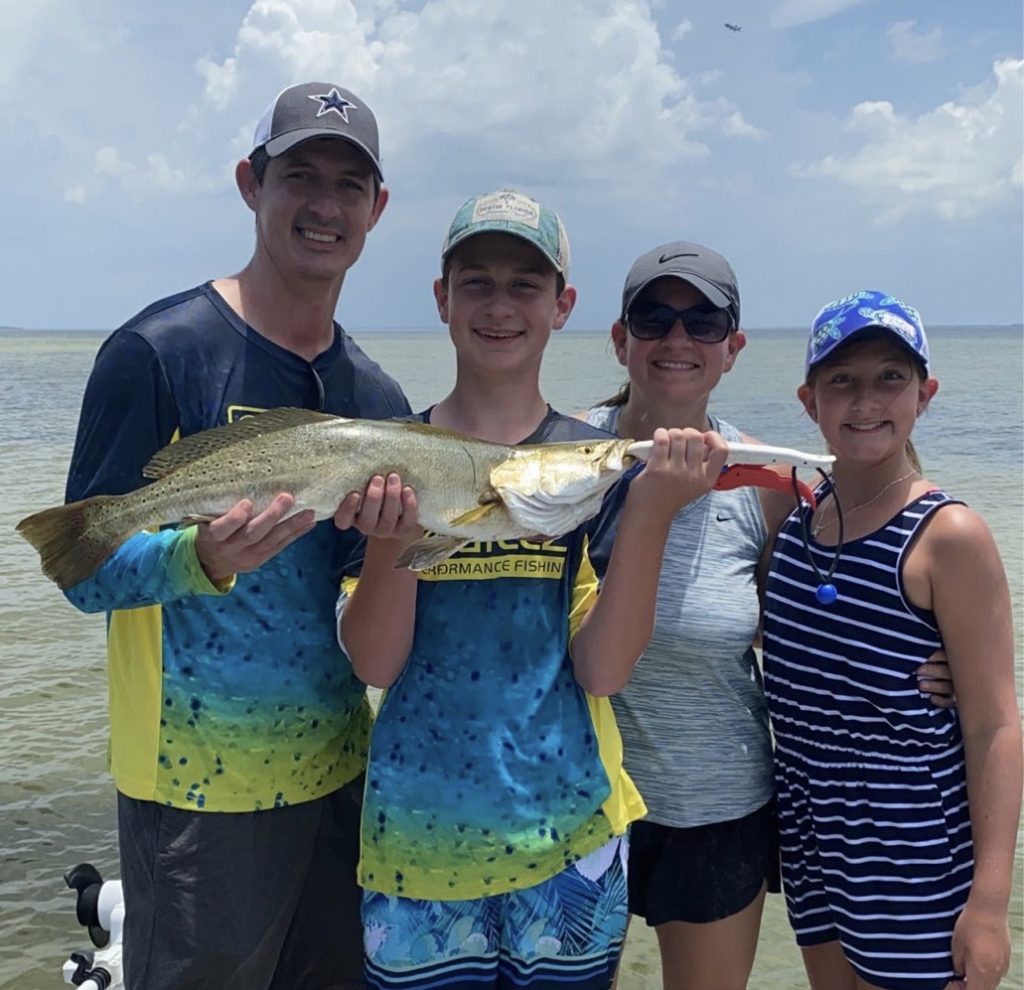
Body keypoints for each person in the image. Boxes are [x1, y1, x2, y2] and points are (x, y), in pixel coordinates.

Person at [333, 190, 729, 990]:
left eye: (526, 285)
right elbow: (375, 664)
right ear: (441, 298)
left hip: (569, 843)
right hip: (417, 847)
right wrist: (391, 543)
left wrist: (649, 510)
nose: (500, 306)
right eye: (476, 282)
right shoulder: (392, 454)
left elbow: (602, 670)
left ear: (563, 306)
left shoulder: (592, 464)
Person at [62, 81, 409, 989]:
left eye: (348, 183)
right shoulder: (158, 353)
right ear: (251, 182)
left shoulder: (375, 401)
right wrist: (199, 555)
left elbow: (353, 605)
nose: (324, 205)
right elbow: (83, 568)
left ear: (377, 209)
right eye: (300, 175)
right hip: (195, 792)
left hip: (339, 777)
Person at [582, 247, 960, 990]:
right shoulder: (563, 455)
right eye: (653, 318)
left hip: (720, 808)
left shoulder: (771, 480)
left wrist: (927, 670)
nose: (678, 339)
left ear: (733, 349)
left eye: (705, 320)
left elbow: (816, 610)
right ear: (621, 340)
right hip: (570, 804)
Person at [762, 291, 1022, 990]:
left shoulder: (947, 536)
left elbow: (995, 724)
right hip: (813, 825)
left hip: (908, 837)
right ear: (808, 400)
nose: (865, 400)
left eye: (890, 378)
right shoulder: (795, 516)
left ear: (925, 394)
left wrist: (990, 905)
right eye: (841, 380)